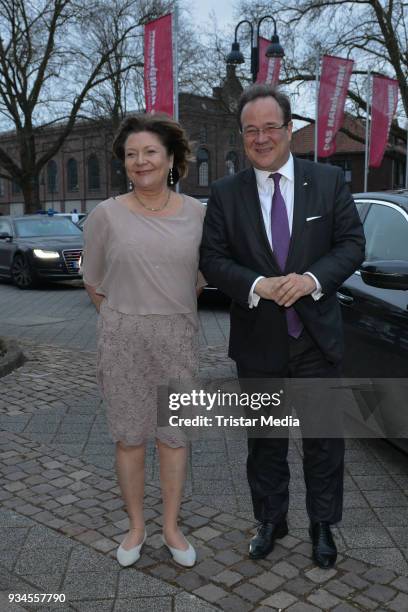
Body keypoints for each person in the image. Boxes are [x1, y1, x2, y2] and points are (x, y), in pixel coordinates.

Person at [200, 84, 365, 569]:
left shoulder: (329, 181)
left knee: (323, 440)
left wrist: (312, 278)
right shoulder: (225, 194)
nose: (262, 137)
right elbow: (211, 259)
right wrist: (257, 285)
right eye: (251, 130)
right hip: (258, 342)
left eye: (271, 127)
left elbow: (352, 245)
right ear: (243, 137)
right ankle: (271, 520)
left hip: (316, 339)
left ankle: (321, 525)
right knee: (264, 442)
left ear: (290, 129)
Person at [82, 113, 206, 568]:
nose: (141, 161)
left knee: (174, 438)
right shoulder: (106, 216)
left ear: (171, 158)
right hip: (122, 340)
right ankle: (136, 525)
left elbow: (196, 280)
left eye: (150, 152)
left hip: (177, 339)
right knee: (130, 438)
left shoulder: (198, 215)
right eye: (132, 155)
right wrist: (125, 322)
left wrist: (165, 317)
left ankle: (171, 526)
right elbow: (93, 282)